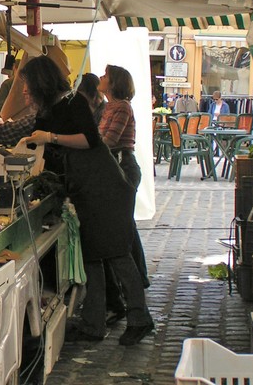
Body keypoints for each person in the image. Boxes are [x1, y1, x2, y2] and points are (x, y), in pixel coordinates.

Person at [18, 55, 153, 346]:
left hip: (105, 187)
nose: (25, 90)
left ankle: (140, 319)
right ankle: (93, 324)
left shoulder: (72, 103)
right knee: (92, 255)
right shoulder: (48, 111)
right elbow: (31, 136)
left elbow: (90, 139)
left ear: (41, 82)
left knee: (117, 253)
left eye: (27, 84)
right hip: (83, 188)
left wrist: (51, 137)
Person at [97, 65, 152, 324]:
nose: (101, 77)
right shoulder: (108, 106)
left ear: (114, 81)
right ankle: (124, 298)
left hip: (123, 169)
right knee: (123, 231)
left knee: (120, 236)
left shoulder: (120, 107)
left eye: (105, 75)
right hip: (114, 169)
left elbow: (108, 141)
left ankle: (134, 300)